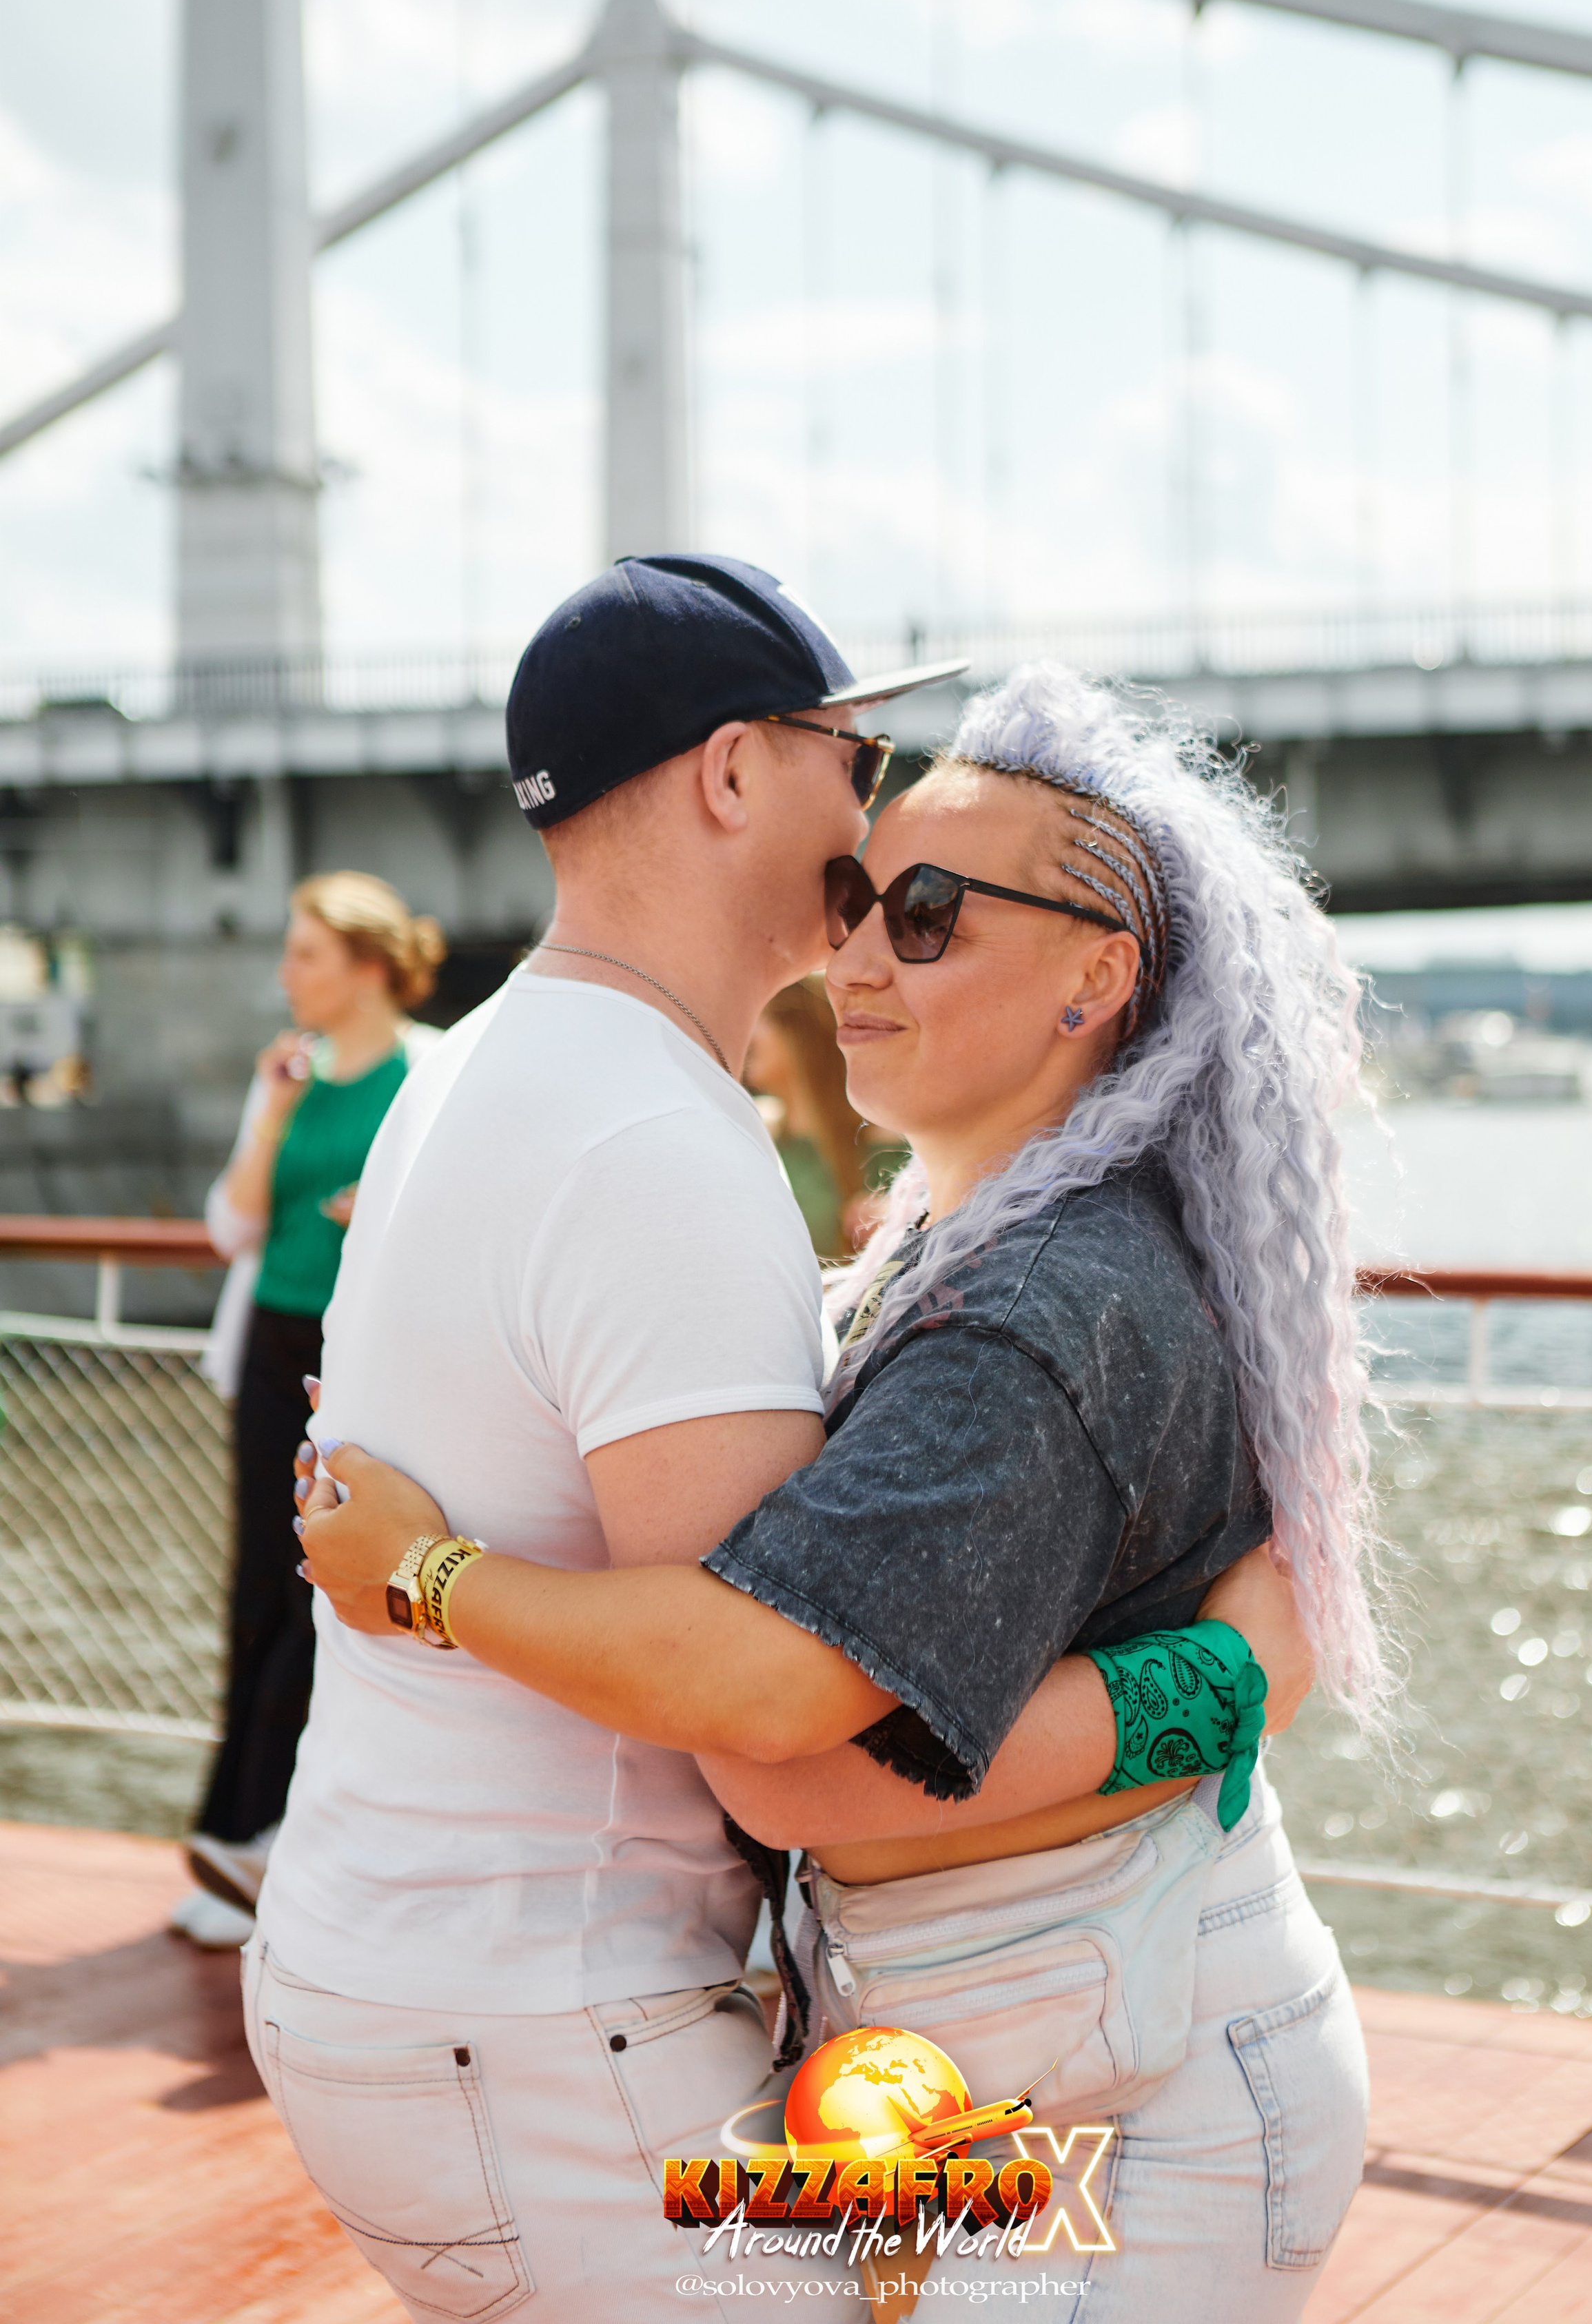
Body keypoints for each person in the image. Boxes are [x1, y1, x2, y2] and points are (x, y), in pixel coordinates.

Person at [298, 660, 1385, 2321]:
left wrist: (426, 1572)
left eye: (931, 911)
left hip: (1136, 2099)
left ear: (1102, 973)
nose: (859, 957)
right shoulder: (940, 1257)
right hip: (1000, 2065)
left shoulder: (1042, 1310)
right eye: (858, 901)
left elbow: (788, 1772)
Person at [246, 557, 995, 2318]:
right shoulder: (654, 1134)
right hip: (544, 2028)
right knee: (1026, 2243)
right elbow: (760, 1705)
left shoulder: (487, 1064)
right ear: (733, 772)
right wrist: (1215, 1673)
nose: (876, 813)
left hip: (410, 1969)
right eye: (853, 759)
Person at [169, 873, 445, 1951]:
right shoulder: (287, 1077)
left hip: (362, 1358)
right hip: (276, 1346)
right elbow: (233, 1229)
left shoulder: (429, 1070)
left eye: (307, 955)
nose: (287, 975)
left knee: (323, 1591)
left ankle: (288, 1841)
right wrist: (274, 1113)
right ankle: (234, 1830)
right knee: (256, 1590)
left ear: (369, 965)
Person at [743, 976, 869, 1256]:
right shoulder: (751, 1135)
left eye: (757, 1018)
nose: (743, 1032)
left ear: (796, 1031)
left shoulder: (884, 1143)